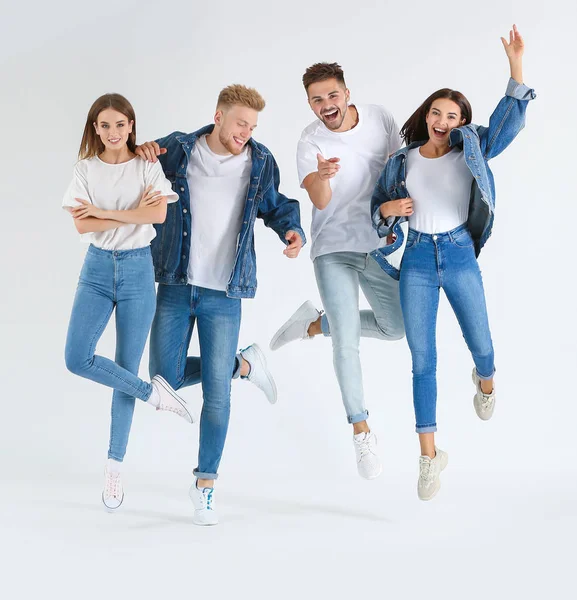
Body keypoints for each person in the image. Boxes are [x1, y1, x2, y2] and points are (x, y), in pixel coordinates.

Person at [370, 25, 535, 500]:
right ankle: (428, 457)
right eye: (437, 112)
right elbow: (377, 208)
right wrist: (386, 211)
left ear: (461, 121)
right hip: (418, 258)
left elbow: (507, 126)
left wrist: (516, 68)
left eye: (453, 114)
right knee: (423, 359)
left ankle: (485, 381)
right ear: (426, 116)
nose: (443, 120)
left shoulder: (472, 149)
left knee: (481, 344)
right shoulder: (402, 163)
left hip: (460, 255)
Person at [135, 84, 306, 526]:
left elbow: (276, 206)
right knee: (163, 378)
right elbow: (137, 162)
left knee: (217, 396)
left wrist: (292, 230)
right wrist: (145, 149)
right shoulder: (179, 148)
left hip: (225, 291)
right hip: (175, 282)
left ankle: (205, 484)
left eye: (251, 127)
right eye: (239, 124)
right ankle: (244, 365)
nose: (245, 133)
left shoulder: (261, 161)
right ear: (218, 116)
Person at [269, 63, 405, 479]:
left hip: (377, 244)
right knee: (347, 342)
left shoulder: (380, 118)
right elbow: (321, 200)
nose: (326, 105)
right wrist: (323, 176)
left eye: (332, 95)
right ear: (309, 103)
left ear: (346, 93)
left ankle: (313, 324)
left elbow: (401, 167)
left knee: (395, 326)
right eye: (316, 100)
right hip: (332, 247)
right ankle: (361, 431)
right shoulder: (310, 140)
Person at [63, 94, 194, 512]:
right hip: (97, 270)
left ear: (131, 126)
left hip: (138, 270)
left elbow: (156, 217)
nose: (114, 132)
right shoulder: (84, 169)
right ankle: (152, 395)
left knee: (123, 363)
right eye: (105, 125)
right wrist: (128, 212)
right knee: (77, 358)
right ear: (95, 129)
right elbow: (81, 225)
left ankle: (114, 466)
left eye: (121, 124)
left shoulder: (146, 165)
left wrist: (105, 211)